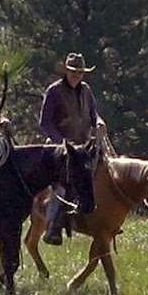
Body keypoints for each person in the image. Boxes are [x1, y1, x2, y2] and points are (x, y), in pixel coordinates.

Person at [38, 52, 105, 245]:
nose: (77, 75)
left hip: (84, 147)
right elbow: (45, 123)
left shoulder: (86, 91)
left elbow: (94, 115)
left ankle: (103, 219)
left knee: (104, 173)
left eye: (80, 72)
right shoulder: (54, 91)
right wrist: (61, 142)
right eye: (73, 71)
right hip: (62, 148)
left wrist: (99, 122)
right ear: (67, 71)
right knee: (60, 185)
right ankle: (52, 227)